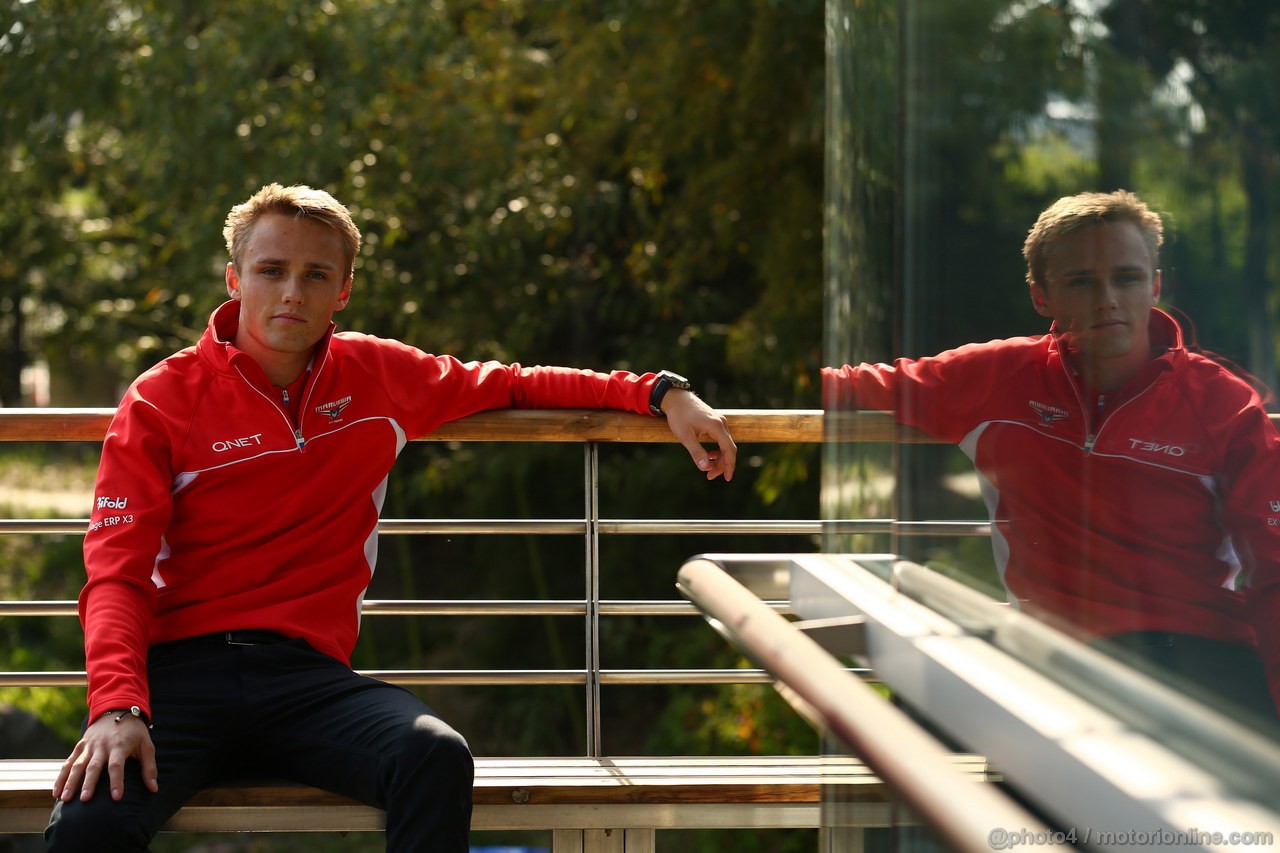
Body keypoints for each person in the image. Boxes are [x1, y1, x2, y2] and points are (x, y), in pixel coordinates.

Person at [45, 182, 738, 851]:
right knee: (87, 826)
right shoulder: (162, 398)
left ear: (342, 290)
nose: (292, 291)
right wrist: (117, 707)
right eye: (271, 270)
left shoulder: (378, 375)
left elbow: (513, 382)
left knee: (433, 754)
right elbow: (115, 574)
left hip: (305, 678)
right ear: (234, 279)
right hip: (176, 681)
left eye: (316, 274)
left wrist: (658, 392)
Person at [823, 189, 1280, 721]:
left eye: (1127, 278)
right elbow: (845, 386)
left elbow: (1273, 563)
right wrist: (695, 397)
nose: (1107, 298)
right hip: (1055, 653)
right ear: (1042, 296)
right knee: (918, 718)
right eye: (1081, 281)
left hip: (1198, 649)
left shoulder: (1221, 403)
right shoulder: (997, 375)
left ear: (1155, 286)